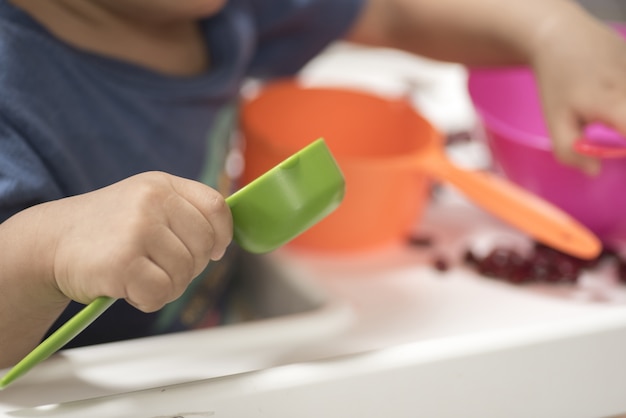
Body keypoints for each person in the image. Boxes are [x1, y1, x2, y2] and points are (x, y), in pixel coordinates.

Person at [1, 0, 625, 369]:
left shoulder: (209, 10)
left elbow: (388, 10)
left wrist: (546, 27)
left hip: (212, 351)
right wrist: (48, 251)